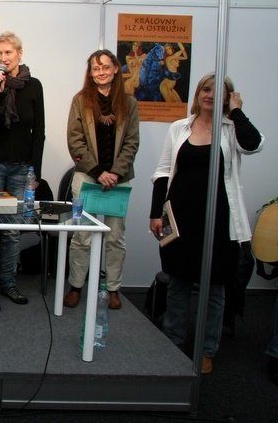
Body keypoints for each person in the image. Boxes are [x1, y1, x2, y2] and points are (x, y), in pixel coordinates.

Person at [149, 73, 263, 374]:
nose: (210, 95)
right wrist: (154, 213)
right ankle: (172, 341)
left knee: (214, 289)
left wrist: (236, 111)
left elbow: (254, 145)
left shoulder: (231, 129)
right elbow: (162, 172)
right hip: (181, 217)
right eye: (206, 89)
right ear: (198, 93)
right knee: (178, 283)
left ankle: (206, 349)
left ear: (228, 97)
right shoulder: (179, 128)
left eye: (219, 92)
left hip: (219, 220)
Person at [0, 31, 45, 312]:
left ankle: (9, 283)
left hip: (20, 168)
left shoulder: (34, 86)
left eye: (8, 53)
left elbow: (38, 131)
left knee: (13, 231)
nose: (3, 58)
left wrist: (34, 171)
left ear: (19, 54)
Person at [63, 50, 140, 310]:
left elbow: (131, 142)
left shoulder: (128, 103)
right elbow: (75, 141)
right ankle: (76, 286)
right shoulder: (81, 100)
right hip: (88, 177)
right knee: (82, 236)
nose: (101, 73)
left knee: (116, 237)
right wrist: (98, 172)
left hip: (118, 180)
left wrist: (115, 173)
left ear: (116, 68)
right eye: (95, 69)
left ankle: (114, 288)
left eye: (105, 67)